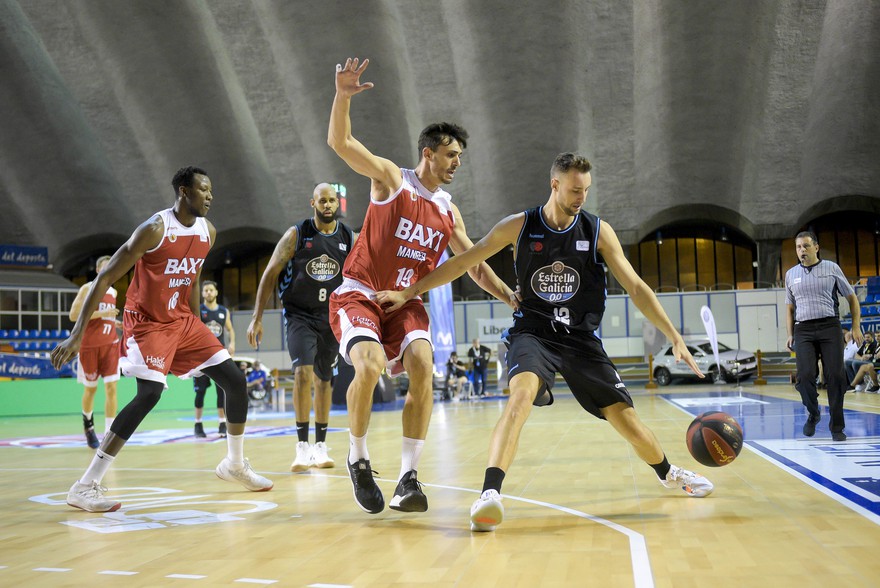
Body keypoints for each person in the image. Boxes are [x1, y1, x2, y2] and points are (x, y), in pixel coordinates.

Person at [376, 152, 714, 532]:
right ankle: (489, 494)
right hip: (532, 332)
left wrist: (674, 335)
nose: (581, 197)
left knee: (629, 422)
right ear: (555, 185)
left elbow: (635, 287)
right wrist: (410, 292)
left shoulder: (597, 231)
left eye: (585, 190)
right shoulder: (519, 225)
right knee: (519, 398)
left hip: (581, 339)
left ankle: (668, 472)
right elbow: (463, 262)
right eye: (574, 189)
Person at [327, 57, 517, 515]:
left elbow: (472, 264)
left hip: (405, 301)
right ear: (428, 153)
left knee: (423, 367)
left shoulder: (448, 211)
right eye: (451, 155)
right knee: (369, 367)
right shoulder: (392, 179)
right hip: (362, 292)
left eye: (460, 157)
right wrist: (342, 96)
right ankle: (358, 459)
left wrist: (510, 296)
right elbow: (341, 141)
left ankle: (408, 477)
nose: (457, 163)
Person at [51, 166, 273, 513]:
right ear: (184, 192)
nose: (210, 196)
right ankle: (85, 484)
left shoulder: (208, 231)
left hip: (183, 321)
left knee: (235, 380)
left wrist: (198, 329)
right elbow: (107, 277)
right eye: (203, 190)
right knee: (149, 395)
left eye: (211, 190)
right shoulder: (155, 229)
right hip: (147, 324)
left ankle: (234, 464)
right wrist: (77, 334)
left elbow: (194, 276)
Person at [248, 183, 354, 472]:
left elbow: (360, 275)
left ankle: (320, 446)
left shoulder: (348, 237)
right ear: (313, 203)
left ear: (337, 203)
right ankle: (302, 447)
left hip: (331, 316)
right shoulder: (297, 234)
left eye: (332, 200)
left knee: (324, 380)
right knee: (302, 374)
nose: (328, 205)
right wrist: (257, 317)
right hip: (299, 316)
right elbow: (270, 273)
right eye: (323, 201)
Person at [785, 231, 862, 441]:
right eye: (798, 247)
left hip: (829, 326)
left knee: (836, 377)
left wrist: (856, 326)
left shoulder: (832, 268)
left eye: (806, 246)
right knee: (805, 377)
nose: (802, 250)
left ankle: (837, 427)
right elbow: (789, 308)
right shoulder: (790, 274)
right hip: (803, 329)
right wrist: (790, 334)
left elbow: (852, 298)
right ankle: (813, 412)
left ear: (816, 247)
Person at [68, 255, 120, 449]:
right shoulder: (87, 288)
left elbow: (103, 318)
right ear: (98, 270)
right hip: (89, 346)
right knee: (91, 389)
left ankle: (109, 433)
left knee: (111, 388)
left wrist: (113, 321)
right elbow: (74, 315)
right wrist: (103, 314)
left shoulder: (113, 292)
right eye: (106, 267)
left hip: (110, 344)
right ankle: (88, 426)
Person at [193, 280, 234, 438]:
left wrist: (232, 344)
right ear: (202, 293)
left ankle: (222, 423)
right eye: (206, 290)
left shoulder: (224, 311)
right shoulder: (198, 310)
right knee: (200, 392)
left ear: (216, 292)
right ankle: (198, 424)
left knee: (221, 392)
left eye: (211, 290)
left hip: (218, 356)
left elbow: (230, 329)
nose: (209, 292)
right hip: (202, 357)